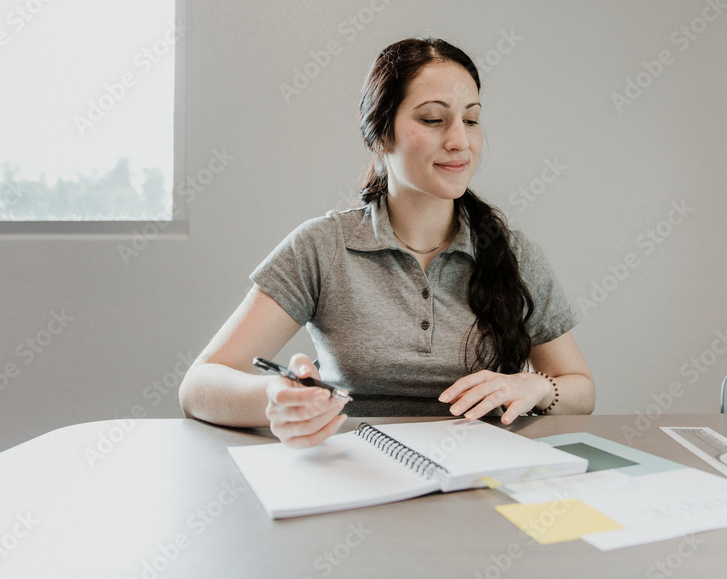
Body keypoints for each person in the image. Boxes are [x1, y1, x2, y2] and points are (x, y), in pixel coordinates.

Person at [179, 37, 593, 447]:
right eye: (433, 119)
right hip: (358, 473)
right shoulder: (323, 247)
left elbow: (580, 388)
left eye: (470, 120)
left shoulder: (513, 254)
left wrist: (534, 387)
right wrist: (275, 398)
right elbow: (199, 385)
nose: (459, 141)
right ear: (380, 135)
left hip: (483, 474)